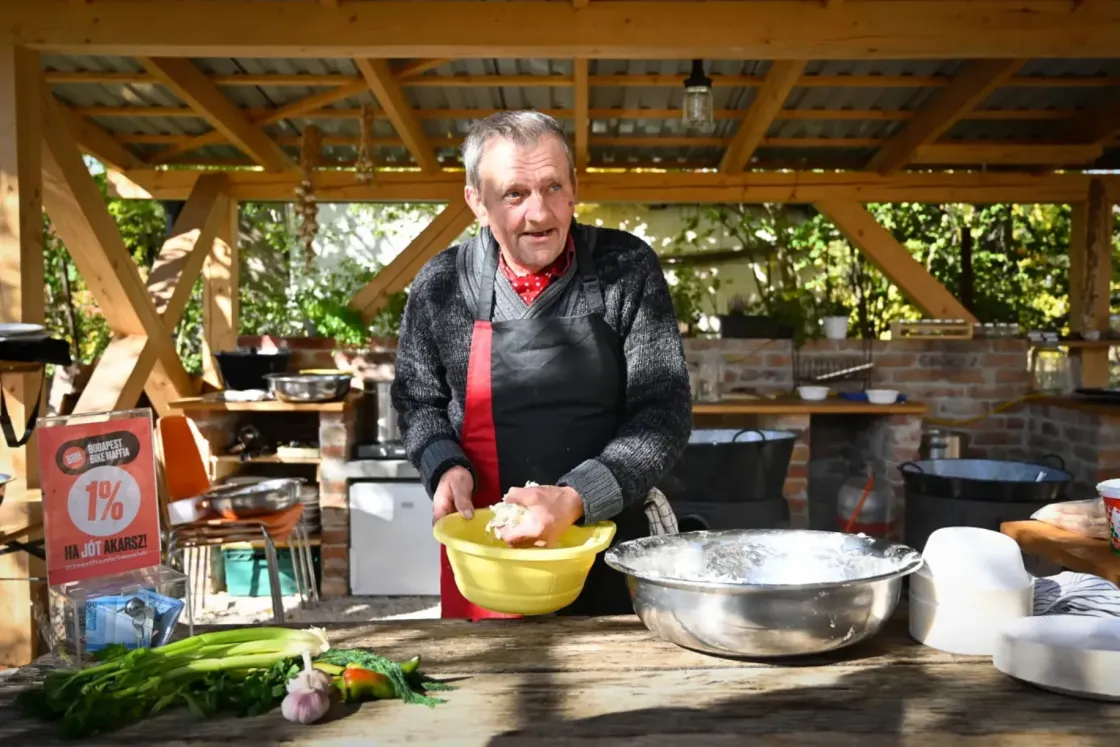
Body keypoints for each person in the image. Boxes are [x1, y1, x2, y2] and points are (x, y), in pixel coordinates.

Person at [391, 110, 692, 619]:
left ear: (574, 189)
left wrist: (576, 498)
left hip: (612, 546)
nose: (540, 213)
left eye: (553, 187)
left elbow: (664, 414)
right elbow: (418, 399)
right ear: (476, 203)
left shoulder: (626, 268)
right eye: (514, 193)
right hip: (492, 551)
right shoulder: (442, 285)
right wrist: (442, 464)